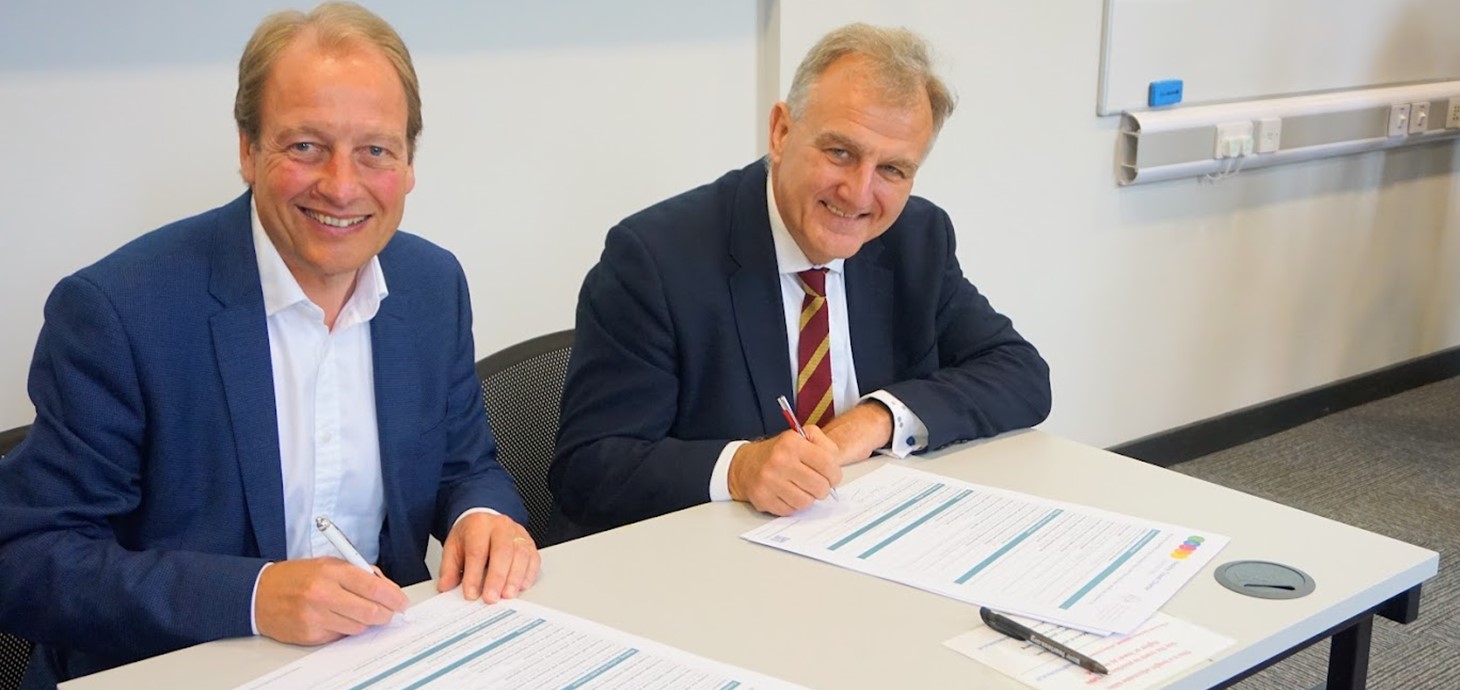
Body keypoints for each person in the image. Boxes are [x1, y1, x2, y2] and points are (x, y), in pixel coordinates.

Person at [0, 3, 539, 686]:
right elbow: (26, 554)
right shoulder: (119, 311)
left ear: (407, 166)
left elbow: (465, 465)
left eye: (375, 150)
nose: (342, 185)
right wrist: (252, 598)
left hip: (380, 659)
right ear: (248, 150)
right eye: (306, 146)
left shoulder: (431, 285)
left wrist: (484, 515)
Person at [551, 23, 1052, 533]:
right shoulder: (655, 259)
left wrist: (877, 418)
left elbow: (1020, 374)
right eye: (840, 152)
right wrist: (740, 469)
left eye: (892, 171)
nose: (858, 194)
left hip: (864, 538)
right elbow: (589, 468)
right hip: (706, 563)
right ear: (781, 132)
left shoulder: (917, 239)